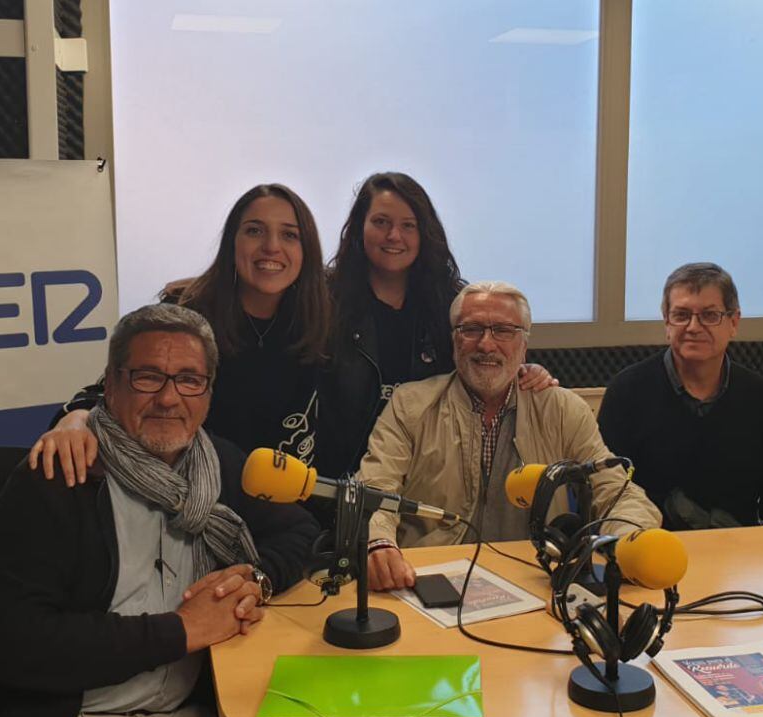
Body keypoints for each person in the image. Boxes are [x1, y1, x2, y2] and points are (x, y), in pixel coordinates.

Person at [0, 304, 317, 717]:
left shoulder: (219, 467)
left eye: (190, 380)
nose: (170, 398)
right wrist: (183, 630)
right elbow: (15, 642)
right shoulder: (58, 478)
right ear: (111, 386)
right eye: (149, 377)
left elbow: (301, 531)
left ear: (208, 395)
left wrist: (257, 578)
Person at [357, 281, 661, 591]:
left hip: (532, 579)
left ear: (524, 344)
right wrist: (379, 543)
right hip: (427, 575)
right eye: (471, 329)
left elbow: (614, 490)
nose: (486, 345)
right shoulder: (410, 405)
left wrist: (629, 541)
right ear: (454, 341)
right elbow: (375, 488)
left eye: (503, 330)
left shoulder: (562, 408)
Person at [35, 183, 331, 485]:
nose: (271, 246)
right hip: (187, 500)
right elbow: (119, 385)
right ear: (232, 242)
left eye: (289, 235)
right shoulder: (186, 313)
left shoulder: (322, 321)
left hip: (283, 507)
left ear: (306, 249)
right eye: (254, 231)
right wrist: (75, 418)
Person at [320, 172, 555, 478]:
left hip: (432, 480)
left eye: (408, 225)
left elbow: (482, 367)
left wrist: (525, 373)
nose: (394, 235)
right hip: (340, 480)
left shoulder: (452, 303)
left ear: (424, 233)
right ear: (359, 228)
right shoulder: (324, 302)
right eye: (381, 222)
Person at [597, 262, 763, 530]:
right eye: (682, 315)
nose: (694, 327)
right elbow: (607, 497)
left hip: (739, 558)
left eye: (710, 315)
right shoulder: (626, 392)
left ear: (734, 322)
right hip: (650, 556)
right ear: (666, 321)